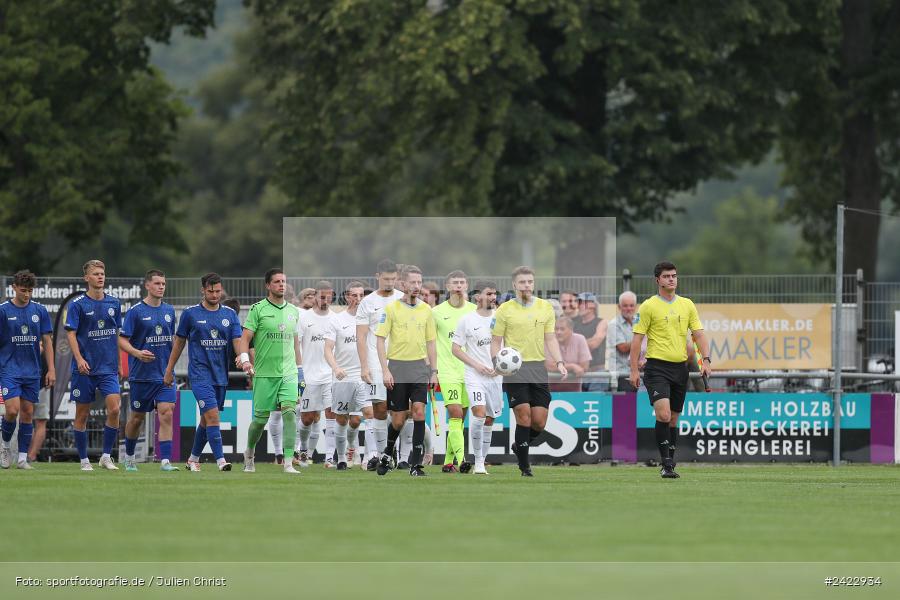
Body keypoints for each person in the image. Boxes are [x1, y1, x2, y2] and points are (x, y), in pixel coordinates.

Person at [629, 261, 710, 479]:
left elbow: (699, 334)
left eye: (674, 275)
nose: (671, 279)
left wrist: (706, 361)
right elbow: (637, 340)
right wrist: (634, 370)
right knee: (663, 414)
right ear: (658, 280)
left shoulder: (687, 304)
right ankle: (665, 463)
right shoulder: (648, 306)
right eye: (666, 276)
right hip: (656, 368)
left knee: (673, 419)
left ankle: (670, 462)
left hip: (680, 369)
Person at [491, 266, 567, 477]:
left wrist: (559, 362)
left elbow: (550, 338)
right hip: (514, 370)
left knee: (539, 422)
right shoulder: (504, 310)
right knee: (523, 416)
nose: (526, 285)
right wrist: (496, 362)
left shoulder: (545, 307)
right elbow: (496, 341)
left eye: (530, 282)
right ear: (514, 284)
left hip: (538, 368)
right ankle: (525, 467)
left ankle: (519, 446)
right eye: (522, 282)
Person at [164, 272, 242, 472]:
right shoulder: (190, 314)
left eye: (218, 291)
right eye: (211, 291)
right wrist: (169, 369)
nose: (215, 295)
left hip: (220, 375)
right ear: (203, 290)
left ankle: (192, 459)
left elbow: (237, 340)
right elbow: (179, 343)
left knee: (206, 420)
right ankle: (221, 461)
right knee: (213, 416)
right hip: (199, 375)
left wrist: (243, 358)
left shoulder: (230, 314)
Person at [237, 268, 303, 475]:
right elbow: (245, 339)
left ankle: (288, 462)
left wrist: (300, 371)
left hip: (289, 373)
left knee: (290, 414)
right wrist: (245, 361)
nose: (281, 285)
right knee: (260, 421)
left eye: (283, 281)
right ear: (268, 285)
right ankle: (249, 453)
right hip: (265, 374)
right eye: (277, 281)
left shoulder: (293, 311)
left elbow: (295, 344)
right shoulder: (258, 309)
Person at [374, 264, 437, 477]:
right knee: (399, 420)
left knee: (418, 412)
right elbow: (380, 340)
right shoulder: (391, 309)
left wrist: (434, 371)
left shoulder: (426, 310)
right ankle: (387, 453)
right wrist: (385, 370)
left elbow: (431, 342)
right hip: (397, 368)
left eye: (419, 282)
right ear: (402, 284)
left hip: (419, 367)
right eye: (412, 282)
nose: (417, 286)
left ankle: (415, 465)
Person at [118, 269, 179, 472]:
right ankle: (129, 458)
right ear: (147, 285)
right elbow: (121, 340)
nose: (161, 287)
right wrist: (137, 353)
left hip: (164, 374)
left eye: (163, 283)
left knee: (166, 413)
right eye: (157, 283)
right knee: (137, 419)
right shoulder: (135, 311)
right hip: (141, 376)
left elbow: (173, 340)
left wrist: (170, 367)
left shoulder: (169, 310)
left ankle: (165, 461)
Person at [65, 260, 121, 471]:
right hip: (85, 368)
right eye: (96, 274)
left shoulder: (114, 303)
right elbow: (71, 334)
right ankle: (84, 460)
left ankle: (105, 457)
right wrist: (79, 359)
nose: (100, 277)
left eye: (102, 273)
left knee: (115, 409)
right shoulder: (77, 304)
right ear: (86, 278)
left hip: (108, 368)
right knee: (82, 415)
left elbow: (116, 333)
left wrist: (118, 362)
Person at [0, 270, 55, 470]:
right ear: (14, 288)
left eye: (30, 291)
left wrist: (51, 369)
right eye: (23, 290)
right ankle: (5, 446)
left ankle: (23, 459)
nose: (27, 294)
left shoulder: (39, 310)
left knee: (28, 412)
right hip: (9, 369)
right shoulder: (3, 311)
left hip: (32, 371)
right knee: (12, 410)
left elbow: (47, 341)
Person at [356, 259, 404, 470]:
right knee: (380, 408)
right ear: (377, 277)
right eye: (386, 279)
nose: (389, 282)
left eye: (393, 279)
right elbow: (361, 336)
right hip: (376, 362)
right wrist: (364, 366)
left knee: (401, 411)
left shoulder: (402, 299)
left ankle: (397, 454)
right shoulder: (367, 302)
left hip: (401, 361)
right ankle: (383, 455)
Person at [451, 280, 502, 475]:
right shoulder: (467, 320)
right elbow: (456, 349)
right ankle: (478, 463)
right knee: (479, 414)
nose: (493, 297)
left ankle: (482, 459)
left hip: (496, 376)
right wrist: (476, 365)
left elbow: (508, 346)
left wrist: (500, 367)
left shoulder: (501, 318)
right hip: (474, 375)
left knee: (489, 419)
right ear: (477, 296)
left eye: (494, 294)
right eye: (489, 294)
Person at [431, 270, 476, 473]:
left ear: (466, 286)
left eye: (462, 282)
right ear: (447, 287)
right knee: (455, 412)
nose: (458, 285)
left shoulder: (474, 311)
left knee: (459, 420)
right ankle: (462, 459)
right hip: (447, 370)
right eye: (455, 282)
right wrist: (432, 370)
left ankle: (448, 462)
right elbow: (430, 342)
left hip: (469, 372)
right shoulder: (436, 312)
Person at [324, 281, 369, 471]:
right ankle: (342, 458)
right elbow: (327, 349)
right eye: (354, 295)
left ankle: (367, 457)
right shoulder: (337, 320)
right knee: (342, 419)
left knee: (360, 419)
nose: (358, 299)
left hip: (363, 376)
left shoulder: (370, 319)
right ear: (347, 297)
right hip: (343, 377)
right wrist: (336, 368)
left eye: (361, 295)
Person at [294, 280, 335, 467]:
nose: (325, 300)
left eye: (329, 296)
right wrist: (299, 369)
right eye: (322, 296)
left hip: (330, 375)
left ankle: (330, 457)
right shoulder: (304, 318)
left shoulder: (335, 318)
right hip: (309, 375)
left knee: (331, 414)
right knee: (308, 418)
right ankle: (303, 449)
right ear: (316, 296)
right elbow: (296, 345)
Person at [572, 292, 608, 391]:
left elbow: (594, 343)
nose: (579, 306)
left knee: (595, 400)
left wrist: (576, 345)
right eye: (579, 303)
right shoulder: (574, 324)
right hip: (579, 373)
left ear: (593, 305)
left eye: (583, 303)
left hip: (597, 373)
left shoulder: (601, 322)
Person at [545, 317, 591, 392]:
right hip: (551, 390)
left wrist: (559, 367)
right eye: (556, 329)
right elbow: (549, 366)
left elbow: (584, 366)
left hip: (574, 390)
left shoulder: (580, 339)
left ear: (571, 330)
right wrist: (572, 366)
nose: (558, 332)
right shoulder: (550, 340)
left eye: (562, 329)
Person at [613, 291, 638, 392]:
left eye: (631, 305)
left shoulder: (640, 321)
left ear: (636, 307)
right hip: (623, 373)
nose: (629, 308)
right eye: (625, 306)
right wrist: (642, 340)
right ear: (619, 307)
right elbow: (622, 347)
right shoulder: (614, 324)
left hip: (642, 371)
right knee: (627, 401)